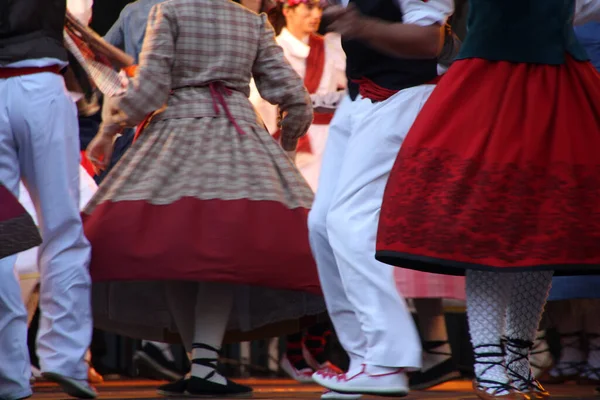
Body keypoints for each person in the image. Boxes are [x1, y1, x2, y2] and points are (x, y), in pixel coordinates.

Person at [83, 0, 323, 397]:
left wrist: (110, 129)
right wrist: (288, 149)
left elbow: (150, 87)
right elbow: (294, 97)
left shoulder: (170, 12)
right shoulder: (252, 22)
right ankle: (204, 367)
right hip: (239, 133)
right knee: (220, 254)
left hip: (174, 132)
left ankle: (202, 365)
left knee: (177, 256)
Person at [375, 0, 600, 399]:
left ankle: (516, 356)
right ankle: (488, 360)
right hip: (492, 89)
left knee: (542, 232)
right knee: (489, 230)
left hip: (555, 87)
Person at [306, 0, 453, 397]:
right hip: (359, 98)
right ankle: (364, 361)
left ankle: (387, 358)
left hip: (401, 94)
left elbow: (429, 41)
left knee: (349, 219)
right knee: (321, 224)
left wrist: (360, 25)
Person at [0, 1, 96, 398]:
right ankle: (65, 358)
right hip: (41, 81)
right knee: (62, 227)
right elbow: (79, 11)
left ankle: (9, 375)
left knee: (3, 239)